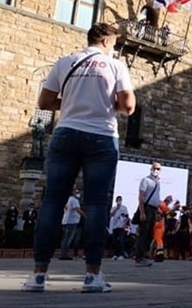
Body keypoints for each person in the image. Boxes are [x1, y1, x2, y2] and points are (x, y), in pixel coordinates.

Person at [22, 22, 136, 293]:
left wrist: (71, 101)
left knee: (51, 203)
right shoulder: (115, 65)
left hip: (65, 134)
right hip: (101, 137)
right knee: (96, 205)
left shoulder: (65, 62)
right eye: (115, 43)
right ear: (108, 42)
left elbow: (44, 102)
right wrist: (108, 103)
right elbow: (128, 106)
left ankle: (38, 275)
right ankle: (92, 275)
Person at [134, 162, 162, 267]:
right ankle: (138, 257)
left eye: (159, 169)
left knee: (150, 233)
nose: (156, 170)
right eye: (155, 168)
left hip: (154, 209)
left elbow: (156, 197)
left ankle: (144, 255)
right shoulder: (146, 180)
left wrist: (158, 210)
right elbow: (141, 196)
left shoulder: (158, 182)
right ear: (151, 168)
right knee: (143, 233)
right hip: (146, 208)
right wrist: (142, 211)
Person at [59, 188, 86, 260]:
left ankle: (63, 253)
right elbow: (77, 209)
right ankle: (64, 254)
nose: (78, 193)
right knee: (68, 238)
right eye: (76, 192)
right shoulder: (74, 200)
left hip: (65, 221)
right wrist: (85, 215)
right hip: (71, 221)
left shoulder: (67, 199)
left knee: (65, 238)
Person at [109, 196, 129, 260]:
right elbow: (111, 215)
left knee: (121, 240)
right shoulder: (113, 208)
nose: (119, 201)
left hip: (121, 226)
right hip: (115, 226)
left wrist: (125, 224)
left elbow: (127, 216)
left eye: (120, 200)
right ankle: (115, 254)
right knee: (115, 241)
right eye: (118, 200)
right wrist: (116, 208)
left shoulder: (124, 208)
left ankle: (121, 254)